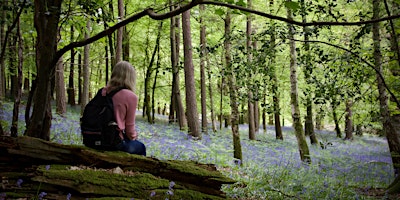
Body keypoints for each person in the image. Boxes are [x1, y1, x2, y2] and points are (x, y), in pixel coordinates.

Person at [102, 61, 146, 156]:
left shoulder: (103, 91)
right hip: (113, 142)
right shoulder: (131, 96)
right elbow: (130, 131)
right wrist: (134, 136)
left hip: (94, 139)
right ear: (131, 77)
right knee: (141, 147)